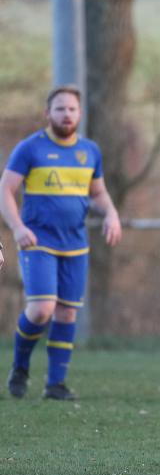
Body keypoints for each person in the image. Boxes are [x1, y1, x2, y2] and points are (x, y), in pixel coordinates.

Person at [0, 85, 122, 401]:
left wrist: (110, 213)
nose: (66, 115)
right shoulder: (30, 149)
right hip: (38, 240)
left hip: (76, 244)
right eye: (60, 109)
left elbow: (97, 193)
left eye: (71, 109)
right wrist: (17, 227)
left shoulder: (89, 151)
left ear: (79, 114)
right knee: (41, 309)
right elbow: (6, 190)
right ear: (47, 113)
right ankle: (20, 366)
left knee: (67, 314)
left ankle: (55, 385)